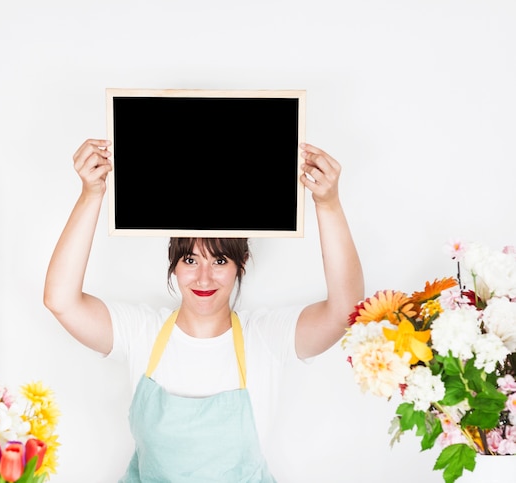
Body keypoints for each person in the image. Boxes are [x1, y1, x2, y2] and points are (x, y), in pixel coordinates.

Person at [43, 139, 364, 482]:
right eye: (191, 259)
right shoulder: (140, 331)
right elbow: (60, 300)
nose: (204, 277)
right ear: (174, 266)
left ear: (241, 265)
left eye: (220, 260)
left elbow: (348, 310)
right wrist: (91, 194)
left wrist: (327, 204)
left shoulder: (267, 337)